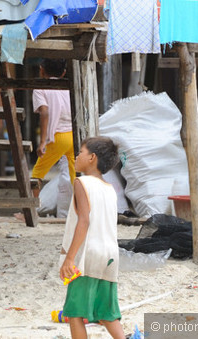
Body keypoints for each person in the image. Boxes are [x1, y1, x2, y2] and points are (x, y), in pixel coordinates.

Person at [59, 136, 124, 339]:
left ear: (92, 158)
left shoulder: (82, 182)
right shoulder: (110, 189)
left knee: (75, 313)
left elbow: (84, 221)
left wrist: (70, 258)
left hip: (88, 256)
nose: (76, 156)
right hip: (110, 255)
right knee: (108, 313)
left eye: (80, 152)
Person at [32, 59, 75, 216]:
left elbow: (44, 112)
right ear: (63, 72)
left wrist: (42, 141)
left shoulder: (40, 88)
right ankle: (81, 211)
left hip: (58, 137)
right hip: (73, 136)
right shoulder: (69, 86)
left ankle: (31, 211)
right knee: (75, 177)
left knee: (36, 174)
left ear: (41, 70)